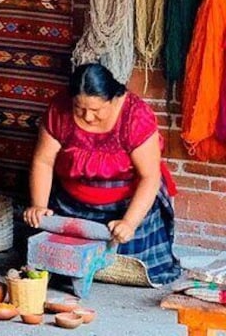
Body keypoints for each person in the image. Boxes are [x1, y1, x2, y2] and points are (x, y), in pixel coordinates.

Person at [24, 63, 181, 285]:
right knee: (55, 264)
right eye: (80, 108)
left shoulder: (135, 116)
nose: (87, 117)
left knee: (137, 266)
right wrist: (39, 205)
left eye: (96, 110)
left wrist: (128, 222)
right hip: (73, 205)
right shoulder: (59, 110)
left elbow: (150, 177)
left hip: (126, 204)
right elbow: (43, 161)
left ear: (113, 98)